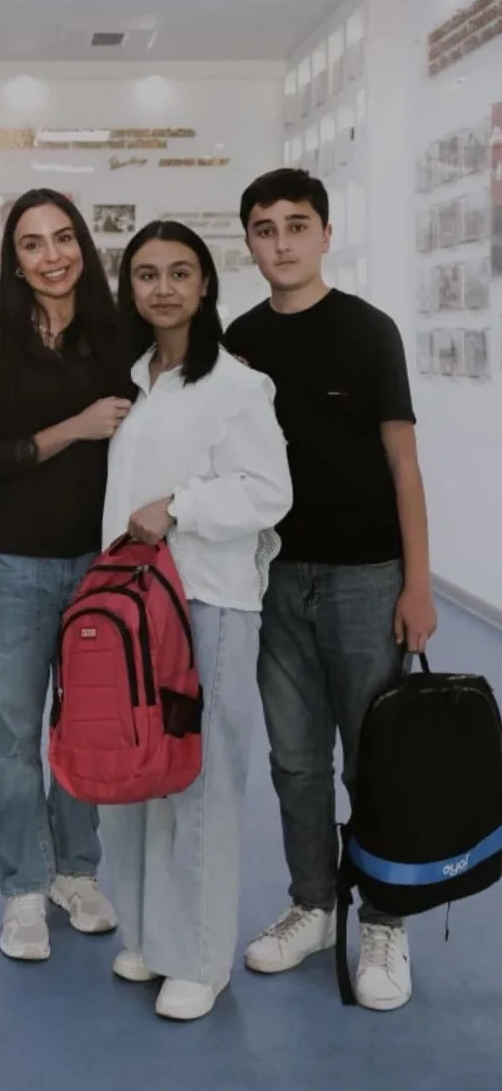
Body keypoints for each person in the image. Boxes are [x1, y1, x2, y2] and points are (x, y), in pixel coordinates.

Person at [225, 168, 437, 1012]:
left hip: (366, 581)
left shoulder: (367, 331)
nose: (280, 242)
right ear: (249, 242)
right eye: (264, 228)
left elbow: (402, 462)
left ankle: (383, 919)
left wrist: (417, 583)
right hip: (274, 580)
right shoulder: (240, 340)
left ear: (323, 234)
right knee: (295, 761)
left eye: (295, 225)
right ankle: (313, 905)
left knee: (372, 760)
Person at [98, 220, 292, 1020]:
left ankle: (200, 959)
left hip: (207, 603)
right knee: (140, 774)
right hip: (133, 610)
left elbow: (268, 492)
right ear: (130, 288)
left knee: (199, 783)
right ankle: (149, 936)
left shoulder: (236, 386)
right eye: (147, 274)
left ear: (205, 284)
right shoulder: (139, 380)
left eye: (180, 272)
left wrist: (178, 505)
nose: (164, 288)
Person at [0, 188, 134, 961]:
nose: (51, 255)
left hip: (102, 566)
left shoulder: (119, 337)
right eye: (32, 244)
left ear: (82, 247)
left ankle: (76, 873)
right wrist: (75, 428)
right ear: (15, 262)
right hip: (14, 566)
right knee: (7, 735)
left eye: (63, 238)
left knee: (86, 727)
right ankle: (24, 888)